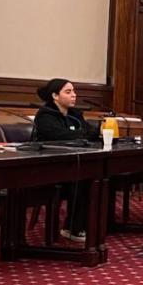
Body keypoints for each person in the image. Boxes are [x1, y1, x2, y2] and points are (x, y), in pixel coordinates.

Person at [32, 78, 100, 243]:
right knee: (80, 179)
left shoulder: (75, 115)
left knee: (95, 176)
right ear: (55, 96)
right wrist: (82, 134)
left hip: (71, 164)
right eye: (68, 92)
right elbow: (59, 137)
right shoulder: (45, 115)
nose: (74, 96)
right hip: (46, 168)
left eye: (74, 91)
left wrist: (83, 134)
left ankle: (93, 224)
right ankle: (73, 228)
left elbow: (92, 132)